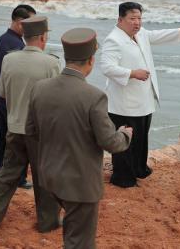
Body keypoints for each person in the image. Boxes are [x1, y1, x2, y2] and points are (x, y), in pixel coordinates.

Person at [26, 28, 133, 249]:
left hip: (49, 177)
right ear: (91, 60)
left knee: (72, 230)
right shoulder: (94, 97)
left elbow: (31, 131)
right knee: (80, 241)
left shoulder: (40, 88)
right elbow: (110, 142)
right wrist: (125, 134)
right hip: (79, 184)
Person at [100, 2, 180, 188]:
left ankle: (138, 170)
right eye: (132, 18)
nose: (137, 22)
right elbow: (107, 67)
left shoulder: (140, 33)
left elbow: (157, 35)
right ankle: (123, 178)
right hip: (124, 103)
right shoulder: (113, 40)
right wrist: (132, 73)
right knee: (126, 142)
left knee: (140, 139)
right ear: (120, 19)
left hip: (143, 100)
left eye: (139, 18)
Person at [0, 16, 61, 233]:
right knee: (44, 178)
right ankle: (48, 222)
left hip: (15, 127)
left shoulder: (9, 60)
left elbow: (2, 94)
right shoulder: (51, 63)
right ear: (43, 37)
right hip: (40, 132)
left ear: (24, 36)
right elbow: (55, 100)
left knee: (7, 174)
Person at [0, 4, 36, 189]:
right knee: (14, 140)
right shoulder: (13, 43)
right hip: (8, 98)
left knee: (3, 135)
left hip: (1, 95)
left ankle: (1, 173)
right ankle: (14, 177)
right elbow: (15, 74)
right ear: (19, 23)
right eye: (30, 23)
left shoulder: (6, 39)